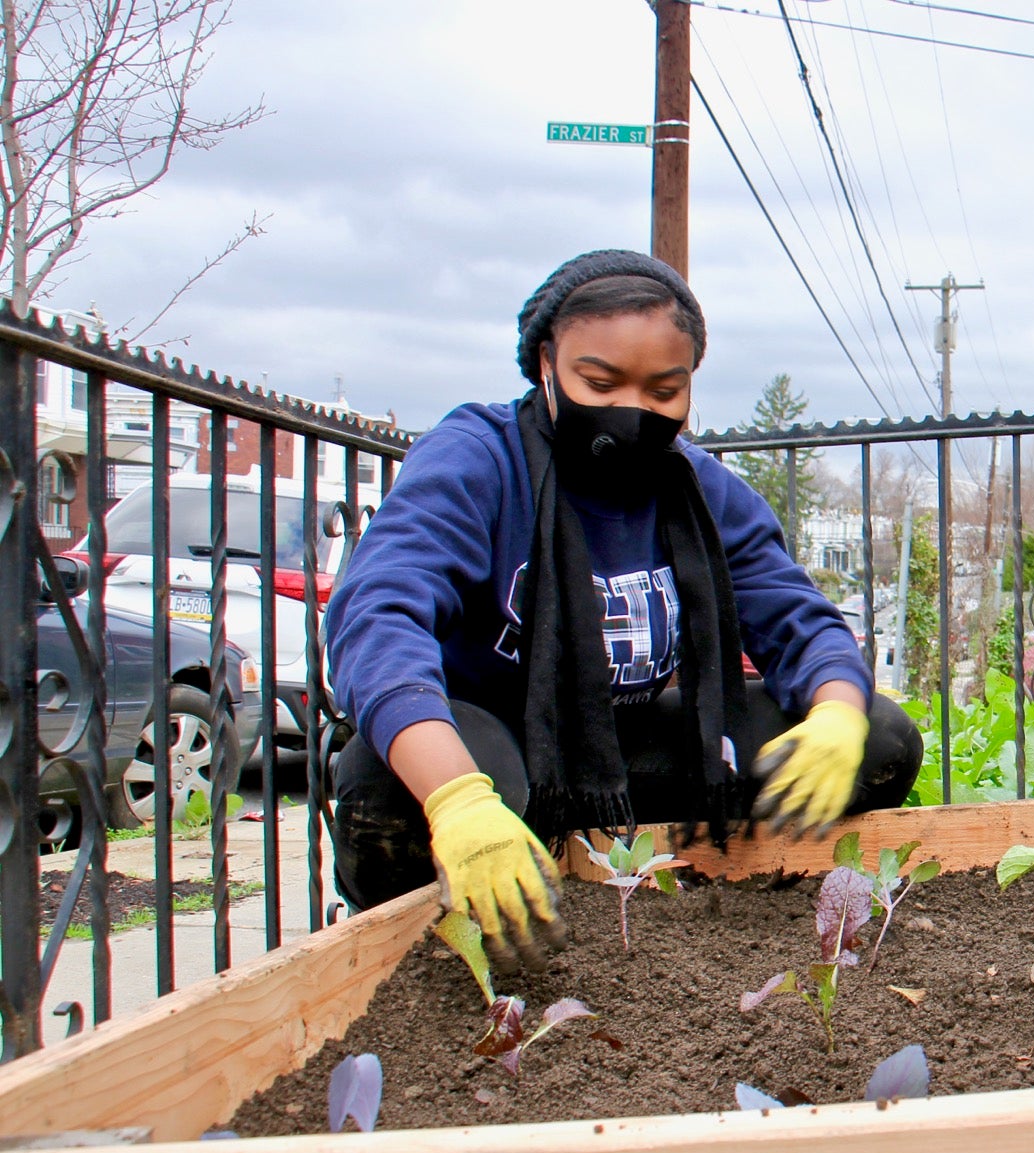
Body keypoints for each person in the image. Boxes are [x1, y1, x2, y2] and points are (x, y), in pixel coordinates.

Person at [327, 249, 922, 967]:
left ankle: (728, 901)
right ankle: (421, 948)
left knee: (879, 737)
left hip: (626, 755)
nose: (631, 410)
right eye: (599, 381)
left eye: (664, 390)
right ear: (546, 363)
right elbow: (379, 613)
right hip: (502, 750)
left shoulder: (700, 490)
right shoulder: (477, 460)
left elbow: (797, 617)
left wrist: (834, 714)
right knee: (386, 785)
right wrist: (456, 796)